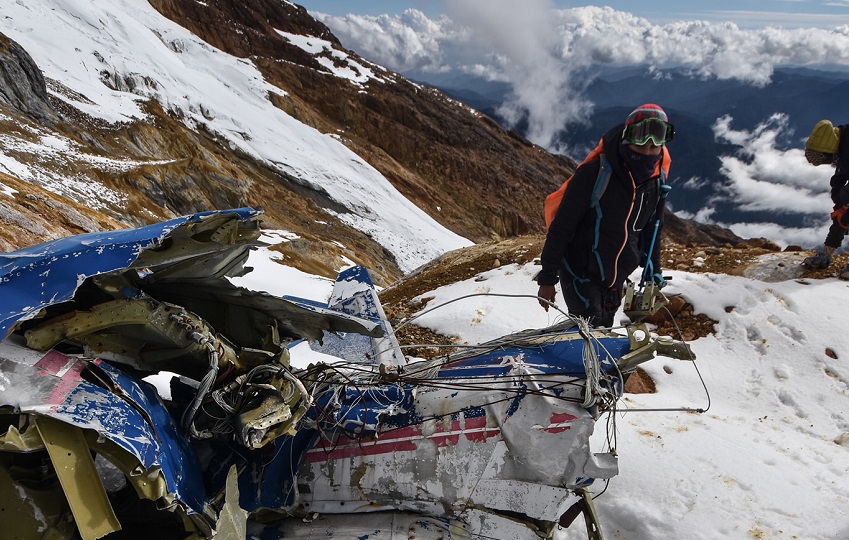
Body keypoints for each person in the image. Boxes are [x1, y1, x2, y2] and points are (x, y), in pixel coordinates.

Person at [536, 103, 673, 327]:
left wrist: (654, 271)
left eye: (656, 143)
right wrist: (548, 278)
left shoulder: (655, 183)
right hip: (580, 273)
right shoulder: (595, 174)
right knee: (593, 333)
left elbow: (651, 229)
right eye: (641, 140)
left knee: (602, 329)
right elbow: (562, 227)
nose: (648, 150)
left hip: (616, 279)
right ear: (627, 137)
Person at [802, 119, 849, 279]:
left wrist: (844, 199)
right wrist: (839, 199)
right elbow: (842, 172)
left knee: (845, 214)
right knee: (842, 215)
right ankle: (826, 254)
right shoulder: (844, 146)